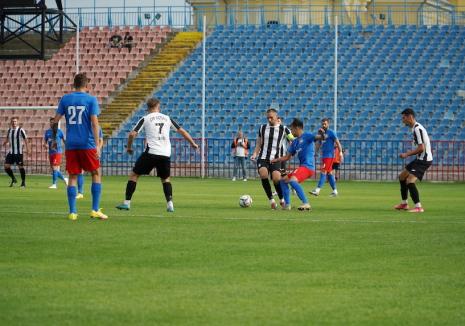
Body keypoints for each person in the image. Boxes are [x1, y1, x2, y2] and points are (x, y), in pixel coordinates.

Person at [116, 98, 199, 212]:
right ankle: (170, 205)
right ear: (158, 106)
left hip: (152, 152)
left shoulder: (145, 118)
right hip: (165, 153)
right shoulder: (167, 118)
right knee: (165, 179)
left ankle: (127, 203)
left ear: (148, 107)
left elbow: (132, 134)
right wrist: (193, 143)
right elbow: (182, 131)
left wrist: (129, 147)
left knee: (134, 175)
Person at [53, 73, 107, 221]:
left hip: (71, 144)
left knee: (72, 176)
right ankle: (95, 210)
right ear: (87, 85)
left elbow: (55, 121)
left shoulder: (65, 99)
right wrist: (97, 145)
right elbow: (95, 123)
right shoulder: (91, 99)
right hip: (87, 143)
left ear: (73, 84)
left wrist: (53, 138)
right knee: (96, 173)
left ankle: (73, 212)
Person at [272, 118, 325, 210]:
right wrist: (276, 160)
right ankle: (287, 205)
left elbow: (320, 137)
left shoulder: (307, 136)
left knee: (292, 180)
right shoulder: (295, 142)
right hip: (302, 167)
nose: (291, 131)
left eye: (292, 129)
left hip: (308, 167)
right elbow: (287, 157)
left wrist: (322, 133)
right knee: (283, 180)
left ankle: (306, 203)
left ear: (297, 128)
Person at [250, 108, 294, 209]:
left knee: (276, 178)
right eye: (267, 118)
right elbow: (259, 143)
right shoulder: (262, 128)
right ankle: (271, 200)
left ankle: (281, 199)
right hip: (263, 157)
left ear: (276, 117)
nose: (269, 120)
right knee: (263, 173)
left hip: (276, 158)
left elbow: (292, 139)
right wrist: (255, 154)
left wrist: (292, 146)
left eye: (271, 118)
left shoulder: (284, 129)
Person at [394, 108, 433, 213]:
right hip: (419, 159)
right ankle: (404, 203)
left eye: (404, 118)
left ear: (410, 116)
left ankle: (418, 207)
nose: (402, 120)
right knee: (402, 177)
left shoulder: (417, 129)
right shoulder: (414, 128)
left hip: (424, 160)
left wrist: (407, 154)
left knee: (410, 181)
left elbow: (421, 148)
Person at [310, 118, 343, 197]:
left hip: (329, 156)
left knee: (323, 172)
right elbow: (318, 143)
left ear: (328, 124)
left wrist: (340, 152)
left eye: (325, 124)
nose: (323, 125)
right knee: (329, 174)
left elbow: (337, 142)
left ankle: (317, 190)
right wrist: (315, 152)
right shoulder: (321, 133)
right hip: (324, 156)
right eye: (323, 124)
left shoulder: (331, 132)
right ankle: (335, 191)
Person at [76, 127, 104, 199]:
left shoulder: (98, 128)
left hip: (92, 151)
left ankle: (95, 200)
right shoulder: (81, 126)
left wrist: (98, 149)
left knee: (95, 173)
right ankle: (80, 192)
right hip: (81, 150)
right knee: (79, 171)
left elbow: (101, 140)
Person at [3, 117, 29, 188]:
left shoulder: (21, 130)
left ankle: (23, 182)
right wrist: (5, 142)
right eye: (13, 121)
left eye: (15, 121)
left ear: (17, 122)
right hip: (11, 152)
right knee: (6, 166)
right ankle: (13, 179)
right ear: (11, 122)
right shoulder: (9, 130)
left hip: (18, 152)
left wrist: (28, 149)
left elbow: (26, 139)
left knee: (20, 167)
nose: (14, 123)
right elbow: (8, 139)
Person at [44, 118, 68, 189]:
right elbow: (45, 141)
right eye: (50, 122)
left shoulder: (59, 131)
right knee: (54, 169)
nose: (52, 123)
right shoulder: (47, 132)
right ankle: (64, 179)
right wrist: (45, 144)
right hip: (51, 152)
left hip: (57, 152)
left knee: (54, 168)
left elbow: (64, 141)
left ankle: (54, 184)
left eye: (53, 122)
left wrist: (67, 148)